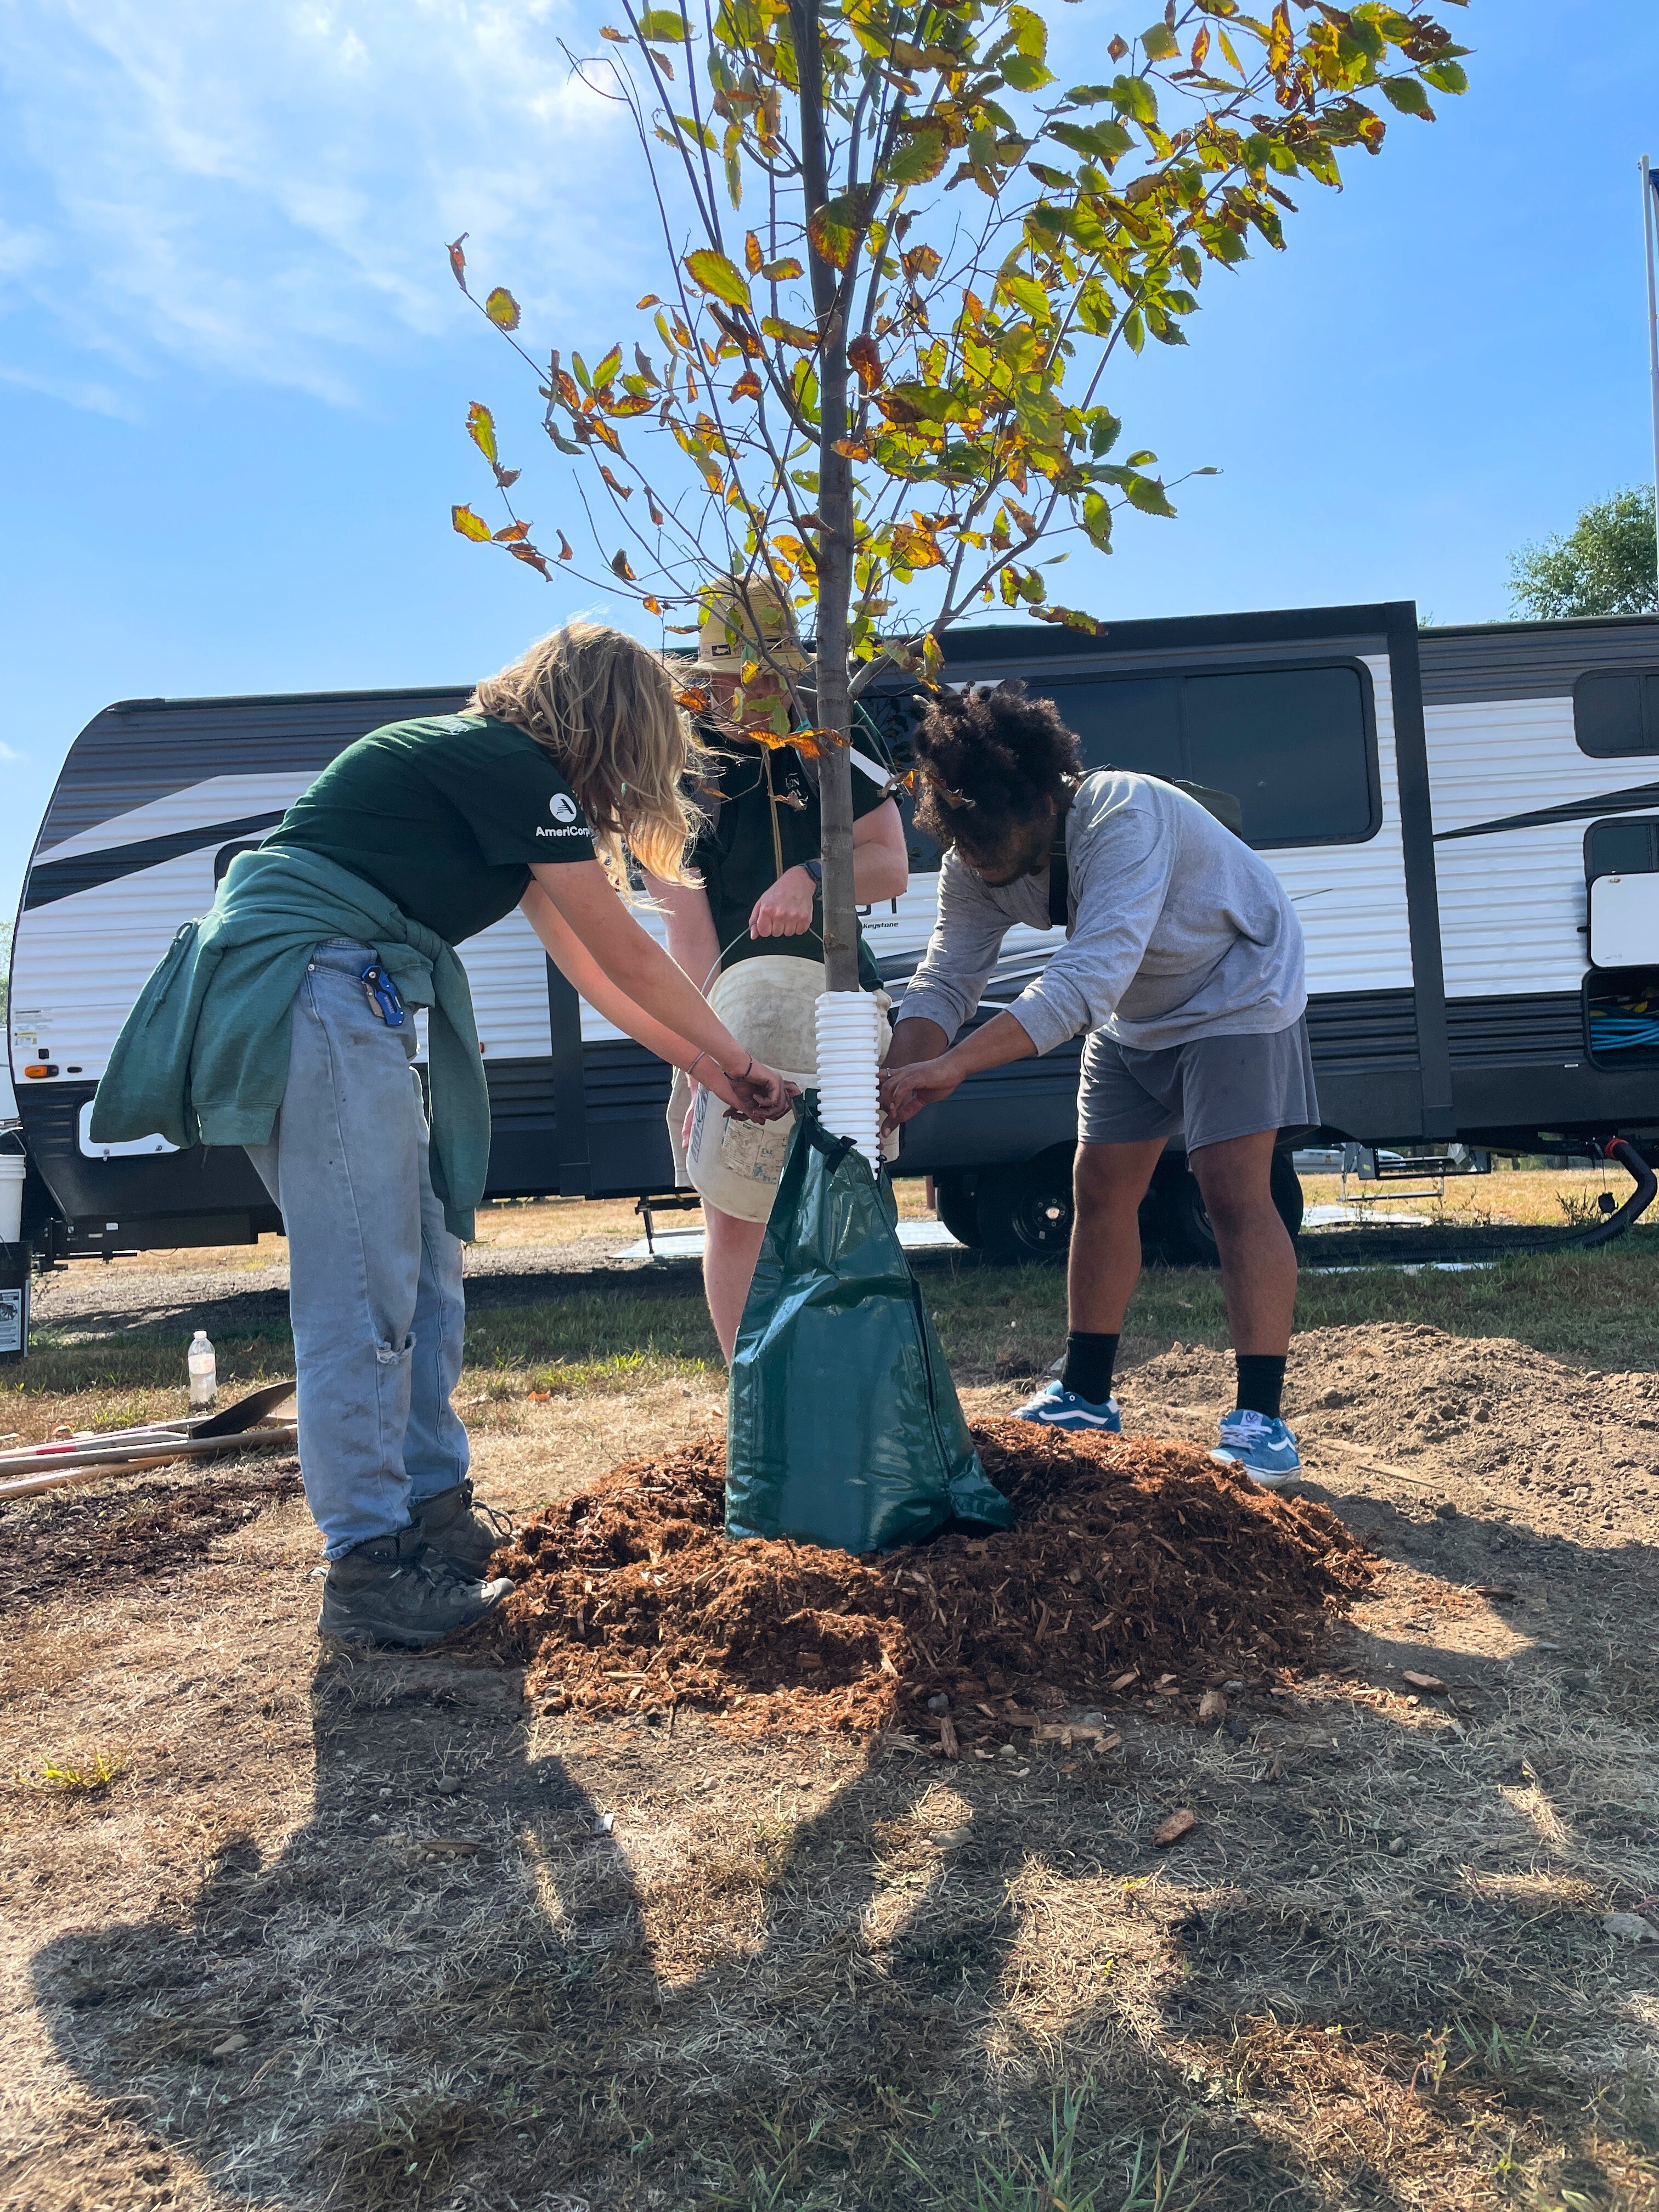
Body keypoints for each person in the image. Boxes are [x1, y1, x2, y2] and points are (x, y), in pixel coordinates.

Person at [91, 623, 794, 1645]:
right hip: (314, 990)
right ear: (609, 720)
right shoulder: (502, 762)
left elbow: (593, 974)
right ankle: (368, 1568)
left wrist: (704, 1066)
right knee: (363, 1287)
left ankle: (433, 1518)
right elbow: (628, 956)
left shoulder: (491, 783)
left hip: (343, 998)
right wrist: (735, 1059)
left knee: (421, 1274)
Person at [879, 681, 1316, 1487]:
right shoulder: (971, 862)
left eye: (985, 831)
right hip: (1141, 1008)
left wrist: (958, 1064)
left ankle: (1262, 1421)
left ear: (1042, 796)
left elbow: (1087, 979)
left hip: (1237, 983)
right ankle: (1084, 1396)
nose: (973, 852)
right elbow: (946, 980)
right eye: (959, 834)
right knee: (1100, 1185)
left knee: (1228, 1187)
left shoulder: (1124, 814)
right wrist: (898, 1074)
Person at [644, 579, 909, 1358]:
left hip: (836, 998)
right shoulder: (675, 759)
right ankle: (751, 1392)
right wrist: (703, 1063)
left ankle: (851, 1376)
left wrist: (816, 876)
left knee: (848, 1198)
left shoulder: (833, 729)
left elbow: (890, 863)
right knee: (735, 1210)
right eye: (725, 678)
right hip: (730, 1004)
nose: (742, 695)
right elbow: (686, 936)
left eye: (760, 676)